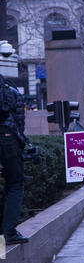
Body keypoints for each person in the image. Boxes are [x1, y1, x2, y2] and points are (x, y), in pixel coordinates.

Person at [0, 75, 28, 245]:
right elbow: (20, 122)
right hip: (8, 138)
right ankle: (9, 231)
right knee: (15, 183)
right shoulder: (12, 92)